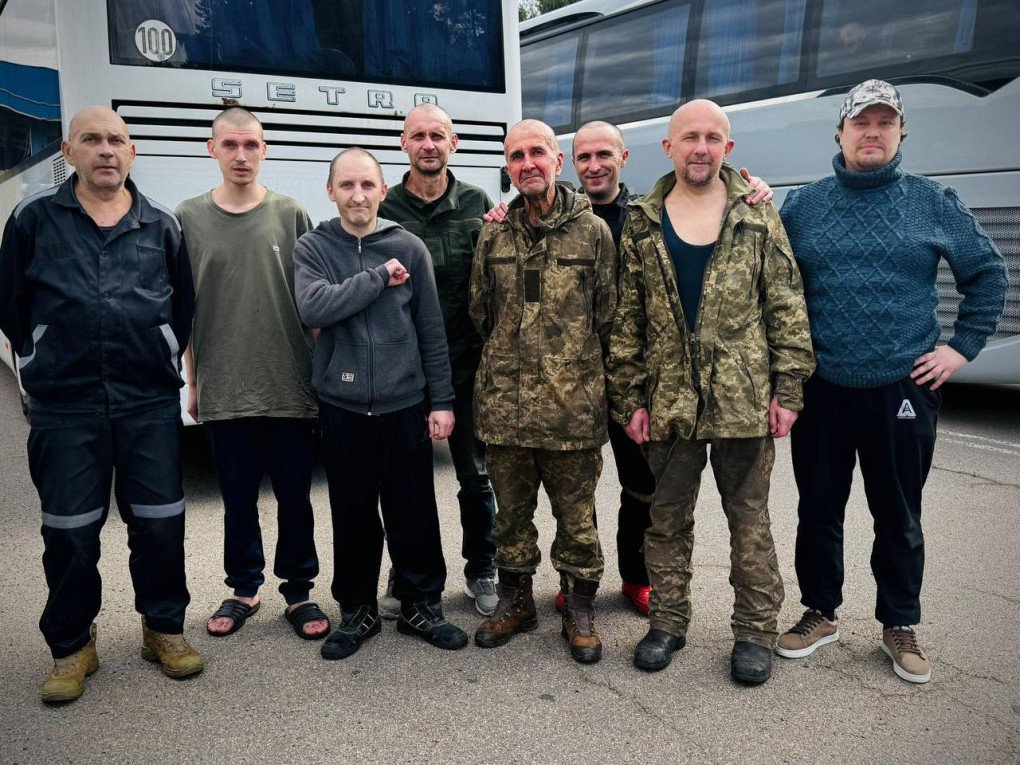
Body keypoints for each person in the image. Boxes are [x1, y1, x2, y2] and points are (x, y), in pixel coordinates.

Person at [776, 79, 1007, 684]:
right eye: (861, 122)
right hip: (822, 387)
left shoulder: (935, 202)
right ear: (840, 133)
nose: (872, 132)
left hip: (901, 390)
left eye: (885, 122)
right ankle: (819, 612)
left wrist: (959, 349)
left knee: (899, 514)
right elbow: (770, 287)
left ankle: (899, 622)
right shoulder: (802, 206)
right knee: (818, 509)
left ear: (901, 132)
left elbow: (986, 274)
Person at [606, 100, 815, 684]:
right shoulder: (644, 221)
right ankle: (668, 621)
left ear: (729, 148)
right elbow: (627, 318)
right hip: (669, 401)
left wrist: (789, 387)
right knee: (667, 518)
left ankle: (754, 633)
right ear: (668, 148)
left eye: (713, 138)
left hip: (743, 401)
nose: (701, 147)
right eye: (689, 137)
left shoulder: (756, 212)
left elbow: (785, 301)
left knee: (748, 520)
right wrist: (630, 398)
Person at [0, 106, 202, 702]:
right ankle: (71, 646)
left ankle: (162, 628)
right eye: (92, 140)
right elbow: (9, 303)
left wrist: (164, 352)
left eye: (117, 140)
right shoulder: (34, 219)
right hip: (66, 405)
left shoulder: (161, 223)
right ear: (70, 152)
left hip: (147, 402)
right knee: (69, 531)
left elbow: (183, 307)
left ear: (132, 152)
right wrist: (37, 357)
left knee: (161, 525)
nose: (106, 149)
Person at [293, 148, 468, 660]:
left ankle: (421, 606)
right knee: (352, 513)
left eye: (367, 185)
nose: (358, 195)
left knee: (413, 509)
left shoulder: (409, 247)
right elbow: (313, 305)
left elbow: (431, 330)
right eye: (346, 185)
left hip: (405, 403)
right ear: (331, 192)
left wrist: (442, 401)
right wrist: (375, 279)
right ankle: (358, 610)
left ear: (383, 190)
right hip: (343, 404)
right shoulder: (314, 247)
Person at [176, 107, 328, 641]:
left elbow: (313, 307)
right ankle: (244, 587)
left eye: (252, 145)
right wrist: (193, 382)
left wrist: (322, 378)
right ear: (211, 149)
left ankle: (299, 591)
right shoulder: (187, 218)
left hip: (289, 382)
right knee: (236, 499)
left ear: (264, 150)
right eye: (231, 145)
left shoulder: (291, 215)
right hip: (224, 383)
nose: (242, 156)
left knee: (295, 498)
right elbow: (187, 309)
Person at [470, 119, 616, 664]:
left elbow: (609, 313)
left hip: (571, 408)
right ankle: (515, 601)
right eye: (516, 156)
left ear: (558, 162)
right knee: (509, 515)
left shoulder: (592, 232)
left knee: (577, 519)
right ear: (507, 168)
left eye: (537, 152)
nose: (527, 163)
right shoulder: (493, 231)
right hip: (504, 406)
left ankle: (580, 608)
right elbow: (480, 311)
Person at [377, 104, 498, 618]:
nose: (428, 144)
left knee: (475, 476)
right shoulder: (384, 207)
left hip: (467, 365)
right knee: (402, 478)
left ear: (455, 144)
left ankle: (482, 566)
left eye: (438, 136)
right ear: (403, 143)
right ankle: (405, 571)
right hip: (403, 369)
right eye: (418, 136)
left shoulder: (478, 204)